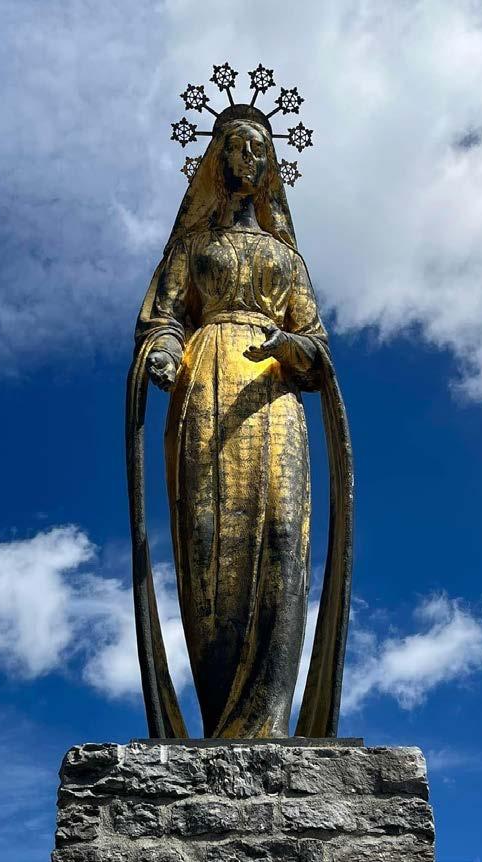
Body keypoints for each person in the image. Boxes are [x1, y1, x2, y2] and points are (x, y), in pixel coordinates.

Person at [126, 115, 353, 739]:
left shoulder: (287, 258)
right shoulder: (191, 249)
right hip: (203, 388)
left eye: (260, 148)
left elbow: (317, 347)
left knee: (281, 534)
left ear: (270, 164)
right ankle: (221, 722)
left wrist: (288, 345)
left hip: (273, 397)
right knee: (207, 544)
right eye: (238, 146)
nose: (249, 156)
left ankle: (267, 724)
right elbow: (162, 319)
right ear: (217, 159)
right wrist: (164, 352)